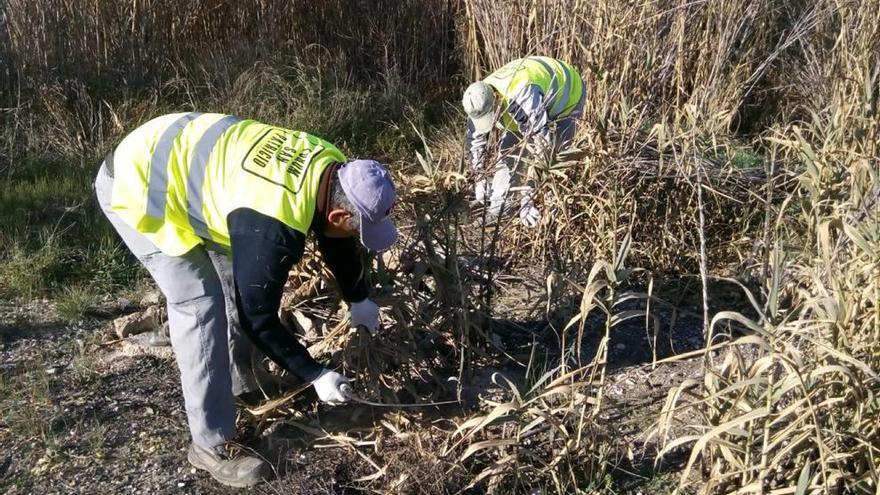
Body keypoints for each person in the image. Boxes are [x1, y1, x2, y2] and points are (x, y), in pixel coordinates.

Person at [94, 112, 397, 487]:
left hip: (192, 168)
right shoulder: (273, 225)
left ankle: (242, 382)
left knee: (236, 282)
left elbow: (336, 237)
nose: (357, 235)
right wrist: (314, 373)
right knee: (200, 304)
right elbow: (258, 318)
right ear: (337, 211)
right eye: (359, 226)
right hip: (137, 182)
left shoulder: (331, 163)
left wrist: (358, 297)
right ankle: (210, 445)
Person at [462, 56, 585, 226]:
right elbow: (475, 140)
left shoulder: (520, 98)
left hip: (567, 94)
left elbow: (542, 145)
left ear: (496, 100)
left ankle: (552, 214)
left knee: (557, 158)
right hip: (529, 103)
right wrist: (479, 177)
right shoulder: (477, 99)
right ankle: (500, 211)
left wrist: (528, 198)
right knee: (508, 153)